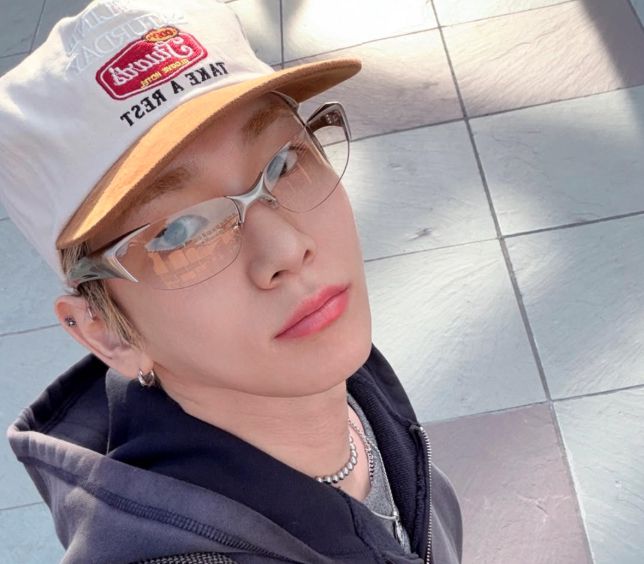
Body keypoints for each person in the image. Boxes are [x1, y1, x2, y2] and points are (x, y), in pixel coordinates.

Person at [1, 1, 463, 562]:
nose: (288, 249)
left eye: (284, 164)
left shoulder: (348, 386)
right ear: (106, 333)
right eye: (179, 232)